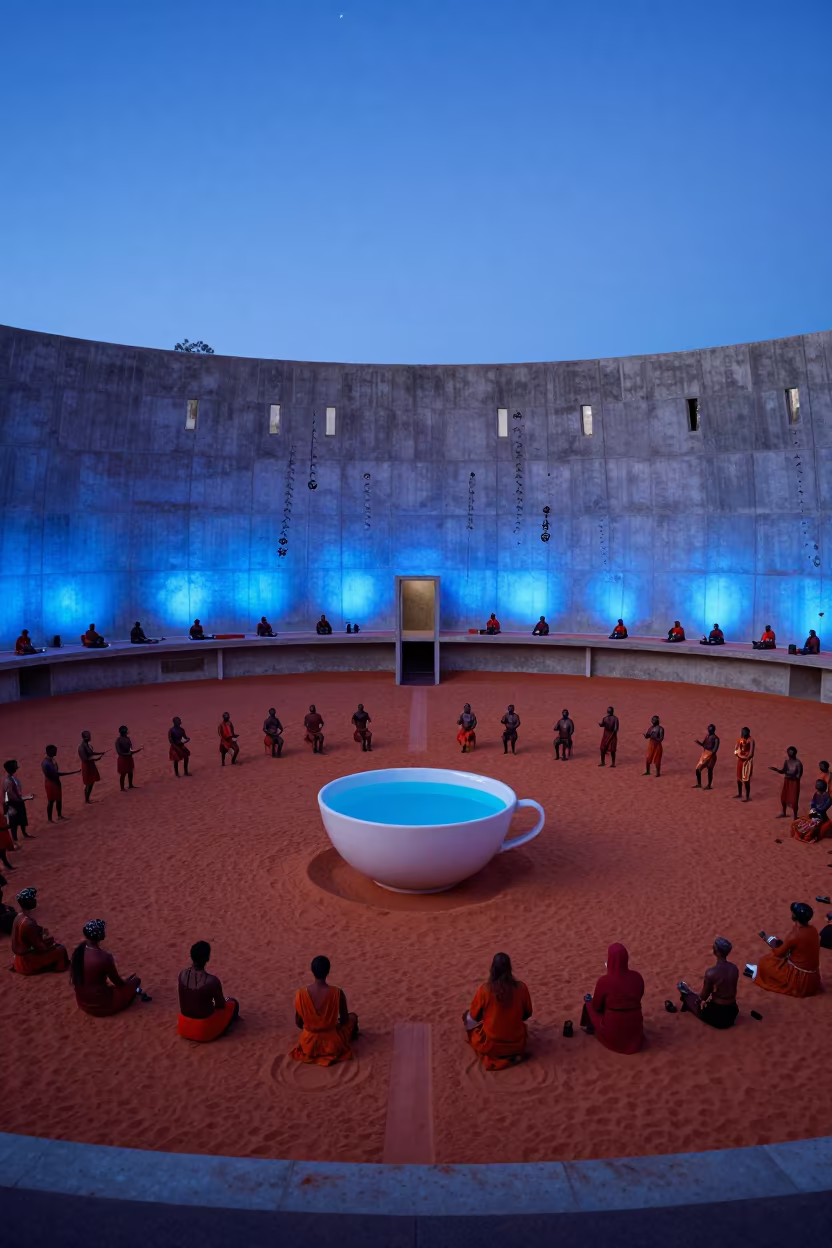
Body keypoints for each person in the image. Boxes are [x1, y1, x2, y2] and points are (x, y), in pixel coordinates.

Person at [463, 952, 532, 1071]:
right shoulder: (521, 987)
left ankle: (499, 1056)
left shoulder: (485, 989)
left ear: (493, 969)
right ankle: (512, 1056)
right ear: (509, 968)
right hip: (516, 1043)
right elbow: (527, 1014)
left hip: (492, 1045)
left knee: (466, 1017)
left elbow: (475, 1017)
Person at [70, 919, 150, 1015]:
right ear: (100, 936)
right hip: (102, 1004)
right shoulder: (104, 957)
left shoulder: (79, 951)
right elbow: (118, 982)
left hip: (83, 1002)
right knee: (135, 981)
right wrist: (128, 982)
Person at [291, 955, 359, 1066]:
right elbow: (345, 1021)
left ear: (312, 971)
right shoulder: (337, 993)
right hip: (332, 1044)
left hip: (308, 1044)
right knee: (353, 1017)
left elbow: (298, 1023)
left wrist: (313, 1026)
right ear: (328, 971)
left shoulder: (301, 994)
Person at [580, 943, 644, 1054]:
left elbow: (596, 1007)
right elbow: (639, 996)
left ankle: (590, 1029)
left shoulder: (605, 981)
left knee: (588, 1004)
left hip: (613, 1030)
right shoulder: (637, 977)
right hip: (635, 1029)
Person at [747, 902, 821, 997]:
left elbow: (779, 953)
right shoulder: (813, 930)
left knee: (765, 962)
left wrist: (772, 944)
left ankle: (759, 973)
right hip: (813, 978)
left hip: (799, 979)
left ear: (795, 916)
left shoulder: (794, 935)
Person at [177, 940, 239, 1041]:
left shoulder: (182, 974)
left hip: (183, 1027)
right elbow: (220, 1005)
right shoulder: (212, 981)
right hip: (203, 1031)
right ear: (207, 958)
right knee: (232, 1002)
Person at [677, 937, 739, 1028]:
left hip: (718, 1013)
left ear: (717, 951)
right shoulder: (734, 969)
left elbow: (703, 996)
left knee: (688, 997)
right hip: (733, 1010)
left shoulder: (712, 972)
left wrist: (694, 998)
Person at [10, 887, 69, 974]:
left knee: (51, 941)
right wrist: (52, 944)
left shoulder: (19, 916)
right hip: (27, 963)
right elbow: (41, 948)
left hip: (19, 959)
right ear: (29, 902)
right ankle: (60, 967)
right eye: (33, 899)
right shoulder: (29, 923)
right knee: (60, 949)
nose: (35, 901)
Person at [42, 745, 79, 821]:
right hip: (51, 783)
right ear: (49, 752)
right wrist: (71, 772)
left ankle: (59, 816)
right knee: (51, 801)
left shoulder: (53, 760)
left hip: (56, 782)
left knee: (59, 799)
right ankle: (50, 819)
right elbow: (55, 774)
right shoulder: (46, 763)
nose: (56, 752)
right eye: (54, 751)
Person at [3, 760, 35, 842]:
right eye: (14, 767)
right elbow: (11, 795)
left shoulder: (12, 778)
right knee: (14, 821)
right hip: (13, 803)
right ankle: (15, 839)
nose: (16, 768)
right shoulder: (8, 781)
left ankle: (24, 833)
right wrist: (24, 798)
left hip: (17, 801)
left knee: (22, 818)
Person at [770, 747, 803, 819]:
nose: (790, 754)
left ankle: (795, 816)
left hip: (794, 783)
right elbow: (783, 771)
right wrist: (777, 770)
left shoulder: (798, 763)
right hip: (787, 781)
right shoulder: (787, 762)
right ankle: (784, 812)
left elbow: (798, 776)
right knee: (784, 797)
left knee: (794, 799)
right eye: (789, 752)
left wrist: (788, 774)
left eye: (791, 752)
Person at [78, 730, 105, 803]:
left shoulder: (87, 744)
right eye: (89, 736)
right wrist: (96, 758)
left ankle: (87, 798)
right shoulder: (81, 747)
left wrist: (100, 753)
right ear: (86, 737)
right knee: (88, 783)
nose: (90, 737)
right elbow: (85, 759)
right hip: (87, 766)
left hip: (90, 764)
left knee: (91, 782)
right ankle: (87, 799)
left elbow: (91, 753)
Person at [115, 726, 141, 791]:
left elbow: (130, 749)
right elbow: (119, 752)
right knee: (123, 773)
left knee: (130, 772)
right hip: (123, 759)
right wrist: (128, 754)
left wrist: (133, 752)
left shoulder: (127, 739)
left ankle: (130, 785)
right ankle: (122, 788)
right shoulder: (118, 741)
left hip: (128, 758)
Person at [694, 725, 720, 789]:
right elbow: (704, 745)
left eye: (710, 730)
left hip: (711, 756)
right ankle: (699, 784)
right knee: (698, 769)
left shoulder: (716, 738)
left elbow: (715, 749)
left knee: (710, 769)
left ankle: (709, 785)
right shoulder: (707, 737)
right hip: (705, 754)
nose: (709, 731)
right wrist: (699, 743)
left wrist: (710, 755)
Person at [734, 727, 754, 801]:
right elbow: (736, 749)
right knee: (738, 778)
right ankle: (740, 794)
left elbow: (751, 753)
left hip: (747, 761)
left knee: (746, 779)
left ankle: (747, 797)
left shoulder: (751, 740)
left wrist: (744, 757)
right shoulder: (740, 740)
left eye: (744, 733)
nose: (743, 734)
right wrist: (738, 754)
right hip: (740, 760)